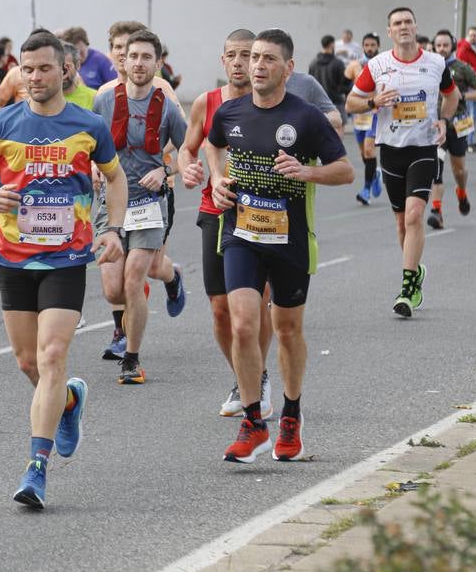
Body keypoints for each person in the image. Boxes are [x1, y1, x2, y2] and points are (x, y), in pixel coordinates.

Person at [0, 30, 127, 509]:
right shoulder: (0, 123)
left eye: (44, 68)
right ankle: (68, 402)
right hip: (11, 256)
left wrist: (112, 230)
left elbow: (116, 179)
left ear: (64, 69)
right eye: (26, 69)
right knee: (28, 362)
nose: (34, 77)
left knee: (52, 356)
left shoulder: (88, 124)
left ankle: (36, 469)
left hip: (67, 257)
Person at [206, 28, 353, 462]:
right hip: (240, 235)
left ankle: (291, 412)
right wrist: (216, 180)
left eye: (268, 59)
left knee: (287, 329)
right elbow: (213, 148)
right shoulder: (229, 112)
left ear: (288, 68)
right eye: (253, 58)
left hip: (289, 240)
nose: (257, 66)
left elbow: (345, 171)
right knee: (244, 325)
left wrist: (306, 172)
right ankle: (253, 422)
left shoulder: (306, 117)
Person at [179, 28, 275, 419]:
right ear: (223, 61)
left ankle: (258, 380)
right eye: (232, 56)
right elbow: (187, 148)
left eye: (247, 55)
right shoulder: (207, 102)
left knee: (257, 303)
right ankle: (247, 376)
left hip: (262, 213)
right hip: (216, 209)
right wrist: (187, 168)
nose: (239, 63)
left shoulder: (271, 102)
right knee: (220, 309)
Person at [345, 7, 459, 318]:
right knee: (401, 222)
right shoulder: (378, 64)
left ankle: (407, 287)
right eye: (397, 23)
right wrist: (373, 102)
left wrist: (444, 122)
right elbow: (350, 102)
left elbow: (453, 96)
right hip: (391, 149)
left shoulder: (435, 63)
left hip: (423, 148)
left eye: (408, 21)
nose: (404, 27)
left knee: (414, 216)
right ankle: (415, 270)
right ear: (390, 30)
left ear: (415, 26)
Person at [92, 29, 188, 385]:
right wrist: (91, 167)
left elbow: (188, 151)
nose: (138, 63)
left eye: (147, 57)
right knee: (112, 290)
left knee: (134, 280)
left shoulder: (166, 104)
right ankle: (172, 275)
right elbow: (88, 144)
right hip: (111, 203)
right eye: (133, 56)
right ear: (123, 60)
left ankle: (131, 358)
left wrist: (165, 170)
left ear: (158, 63)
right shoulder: (104, 100)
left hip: (149, 203)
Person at [427, 30, 476, 229]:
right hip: (436, 127)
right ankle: (436, 211)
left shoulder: (462, 68)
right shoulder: (429, 68)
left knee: (458, 170)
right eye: (438, 46)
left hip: (458, 125)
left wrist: (462, 95)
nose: (442, 49)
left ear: (452, 46)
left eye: (445, 45)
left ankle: (461, 192)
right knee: (437, 168)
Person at [345, 33, 383, 203]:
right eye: (366, 45)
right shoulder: (356, 65)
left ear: (378, 46)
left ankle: (366, 190)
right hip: (359, 113)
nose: (369, 48)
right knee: (364, 154)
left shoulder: (383, 63)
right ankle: (374, 173)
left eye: (373, 45)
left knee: (369, 150)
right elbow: (344, 83)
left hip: (375, 112)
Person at [308, 35, 348, 118]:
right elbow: (345, 85)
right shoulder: (338, 63)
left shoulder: (313, 64)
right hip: (336, 105)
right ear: (332, 45)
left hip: (318, 106)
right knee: (338, 130)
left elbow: (310, 85)